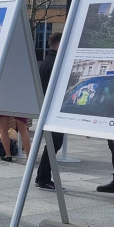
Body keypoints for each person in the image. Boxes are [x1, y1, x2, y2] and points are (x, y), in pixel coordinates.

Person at [35, 32, 63, 191]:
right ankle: (43, 178)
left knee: (52, 144)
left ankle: (43, 177)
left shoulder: (46, 61)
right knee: (53, 145)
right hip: (54, 111)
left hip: (48, 108)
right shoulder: (55, 63)